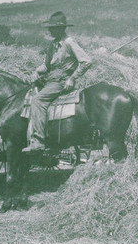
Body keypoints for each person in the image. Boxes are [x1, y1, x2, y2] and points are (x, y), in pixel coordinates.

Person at [22, 11, 92, 152]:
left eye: (52, 28)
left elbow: (87, 61)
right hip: (50, 80)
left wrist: (72, 78)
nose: (49, 30)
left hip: (61, 82)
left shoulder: (69, 43)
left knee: (37, 100)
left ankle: (39, 141)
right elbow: (46, 66)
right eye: (50, 27)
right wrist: (36, 71)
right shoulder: (53, 45)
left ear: (60, 29)